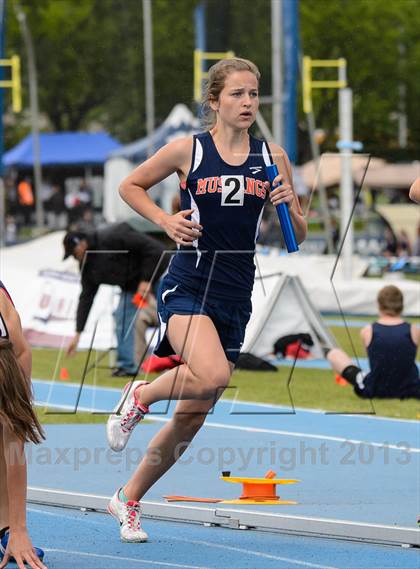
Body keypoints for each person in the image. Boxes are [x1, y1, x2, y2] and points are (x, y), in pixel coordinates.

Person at [105, 57, 307, 542]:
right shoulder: (187, 151)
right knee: (213, 375)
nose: (247, 103)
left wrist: (287, 206)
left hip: (236, 292)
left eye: (254, 95)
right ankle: (141, 395)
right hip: (188, 283)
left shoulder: (272, 157)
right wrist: (165, 220)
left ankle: (126, 500)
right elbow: (129, 185)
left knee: (195, 413)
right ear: (214, 101)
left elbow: (297, 233)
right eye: (237, 94)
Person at [64, 223, 170, 375]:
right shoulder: (87, 266)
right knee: (122, 317)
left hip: (161, 274)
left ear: (80, 244)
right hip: (132, 287)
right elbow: (86, 298)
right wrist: (78, 332)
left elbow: (157, 251)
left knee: (172, 318)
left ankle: (182, 358)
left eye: (74, 254)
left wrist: (147, 279)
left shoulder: (114, 235)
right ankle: (128, 366)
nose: (75, 259)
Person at [0, 281, 47, 569]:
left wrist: (19, 529)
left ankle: (6, 528)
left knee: (7, 428)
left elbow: (14, 443)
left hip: (10, 349)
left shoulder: (16, 355)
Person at [326, 285, 419, 399]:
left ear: (379, 305)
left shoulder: (367, 331)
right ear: (401, 306)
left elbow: (376, 361)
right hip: (410, 388)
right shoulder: (414, 330)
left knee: (334, 354)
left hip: (375, 388)